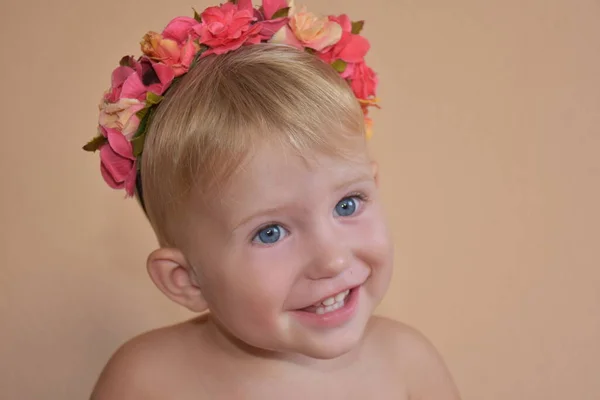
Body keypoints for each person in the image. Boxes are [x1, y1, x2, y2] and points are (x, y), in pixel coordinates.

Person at [85, 0, 461, 398]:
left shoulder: (408, 367)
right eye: (270, 232)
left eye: (347, 204)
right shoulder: (146, 382)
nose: (332, 259)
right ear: (188, 280)